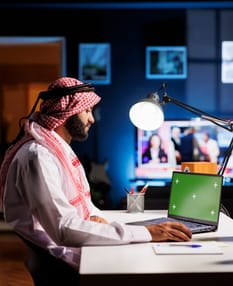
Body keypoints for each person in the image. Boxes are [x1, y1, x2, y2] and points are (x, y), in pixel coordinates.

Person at [0, 77, 191, 274]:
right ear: (69, 112)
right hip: (65, 262)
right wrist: (147, 232)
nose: (92, 119)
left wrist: (99, 218)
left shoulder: (55, 149)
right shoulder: (39, 156)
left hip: (72, 251)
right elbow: (64, 229)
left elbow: (83, 210)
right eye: (87, 111)